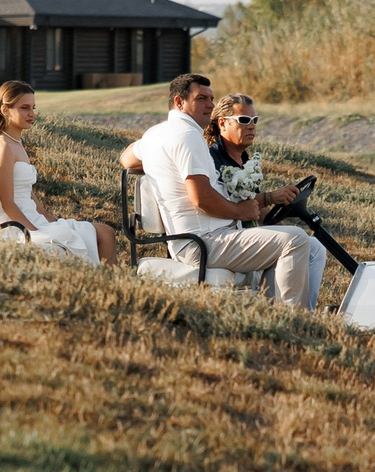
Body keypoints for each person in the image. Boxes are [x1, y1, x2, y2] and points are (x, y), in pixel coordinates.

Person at [119, 73, 321, 308]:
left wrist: (162, 161)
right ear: (179, 102)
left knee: (307, 245)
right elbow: (201, 199)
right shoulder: (188, 136)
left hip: (204, 239)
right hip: (204, 242)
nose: (210, 105)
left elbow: (126, 159)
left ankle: (269, 310)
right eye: (201, 98)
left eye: (211, 98)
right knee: (294, 239)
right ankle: (291, 319)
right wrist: (240, 211)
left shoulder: (155, 134)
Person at [205, 93, 324, 308]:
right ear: (222, 123)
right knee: (296, 239)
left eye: (254, 120)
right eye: (244, 120)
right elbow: (227, 206)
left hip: (245, 233)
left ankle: (303, 310)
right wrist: (268, 197)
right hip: (224, 236)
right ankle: (290, 314)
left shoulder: (245, 161)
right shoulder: (212, 160)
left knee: (315, 247)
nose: (251, 126)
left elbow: (256, 212)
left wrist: (279, 214)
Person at [0, 80, 115, 264]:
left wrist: (51, 219)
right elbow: (7, 203)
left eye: (33, 107)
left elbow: (29, 194)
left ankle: (112, 286)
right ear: (5, 111)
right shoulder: (2, 147)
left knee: (105, 232)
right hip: (13, 224)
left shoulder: (16, 144)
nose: (31, 114)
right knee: (82, 237)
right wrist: (33, 230)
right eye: (24, 108)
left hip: (33, 217)